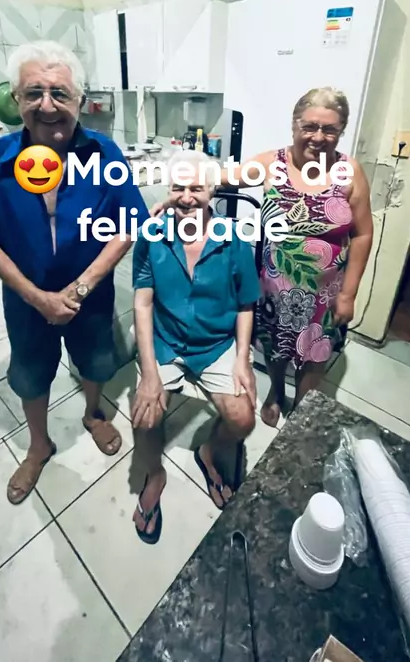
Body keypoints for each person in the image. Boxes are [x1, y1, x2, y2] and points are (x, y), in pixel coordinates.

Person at [0, 41, 148, 504]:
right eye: (34, 93)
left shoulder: (105, 154)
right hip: (25, 299)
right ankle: (39, 444)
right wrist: (37, 297)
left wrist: (81, 288)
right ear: (16, 99)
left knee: (96, 361)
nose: (47, 105)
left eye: (59, 93)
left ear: (79, 100)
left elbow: (128, 225)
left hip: (91, 295)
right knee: (30, 373)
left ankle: (93, 413)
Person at [131, 149, 260, 544]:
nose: (187, 197)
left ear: (213, 190)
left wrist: (242, 359)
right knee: (145, 418)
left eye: (197, 188)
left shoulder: (234, 239)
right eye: (178, 187)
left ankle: (208, 451)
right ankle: (155, 475)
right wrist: (150, 374)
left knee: (243, 419)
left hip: (215, 343)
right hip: (166, 341)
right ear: (168, 190)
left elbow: (246, 304)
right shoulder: (152, 234)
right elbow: (143, 303)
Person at [224, 87, 373, 426]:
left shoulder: (350, 172)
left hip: (326, 294)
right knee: (275, 349)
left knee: (315, 356)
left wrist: (349, 295)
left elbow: (363, 234)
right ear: (294, 125)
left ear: (341, 131)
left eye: (329, 129)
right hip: (275, 289)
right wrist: (176, 183)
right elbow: (218, 179)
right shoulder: (271, 164)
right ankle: (276, 391)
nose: (318, 137)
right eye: (310, 126)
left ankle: (302, 412)